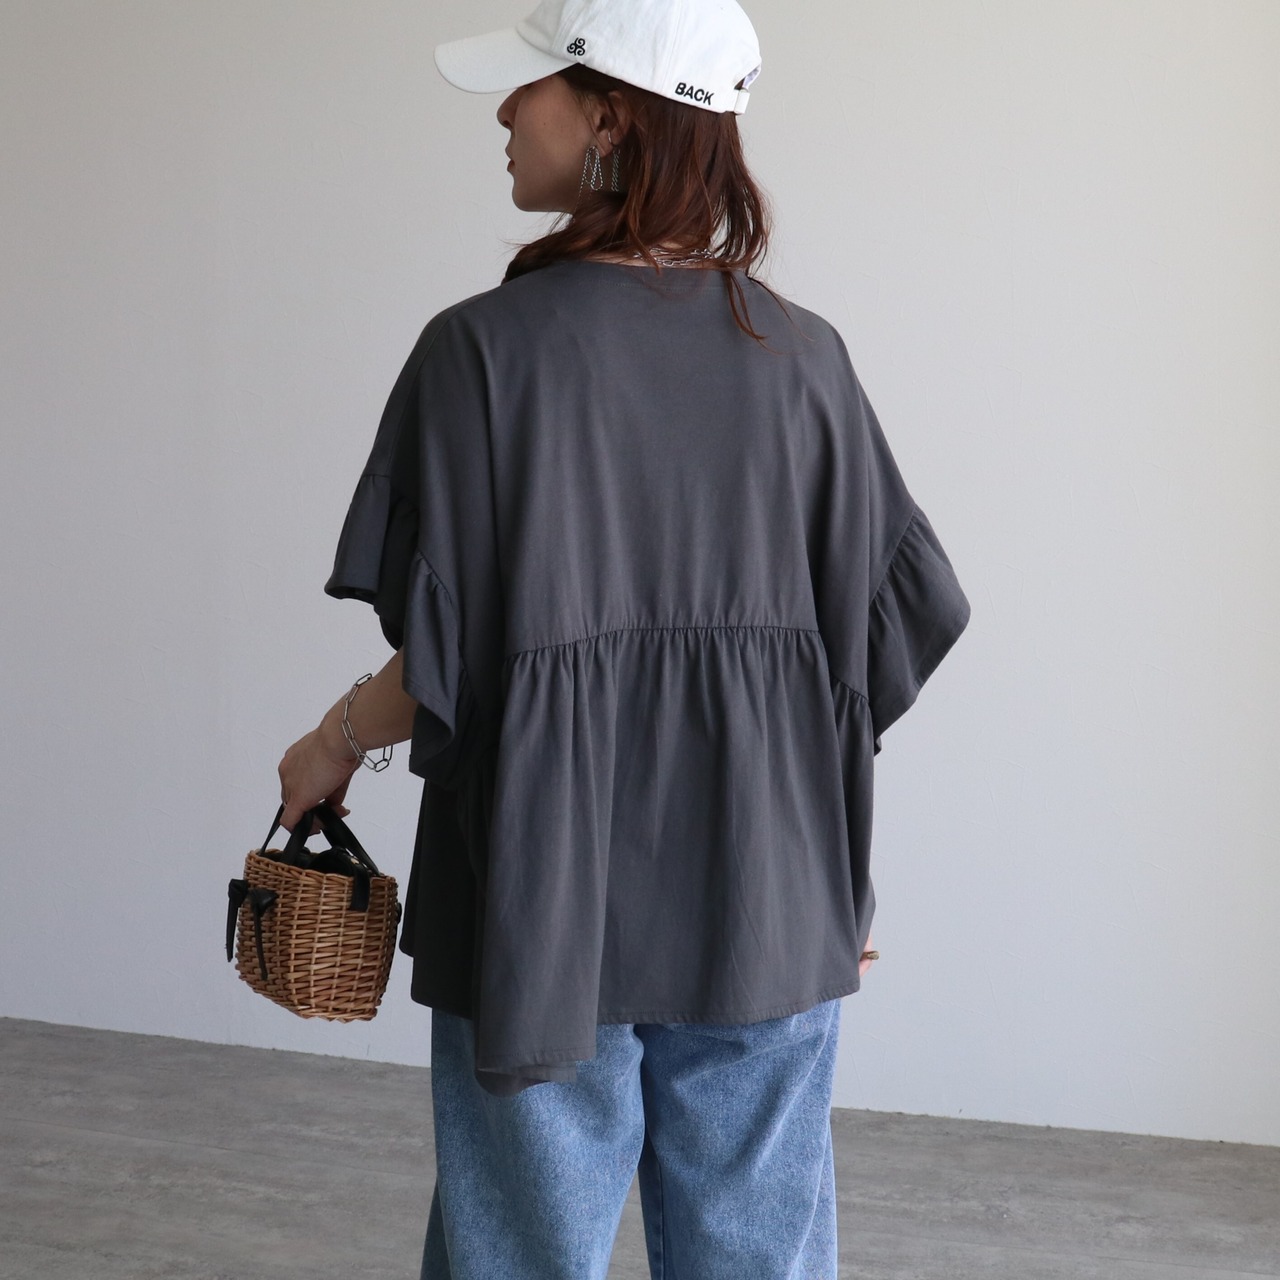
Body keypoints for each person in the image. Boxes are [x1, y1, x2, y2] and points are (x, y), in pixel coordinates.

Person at [275, 0, 972, 1275]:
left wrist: (331, 742)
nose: (502, 111)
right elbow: (878, 640)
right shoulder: (805, 360)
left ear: (607, 116)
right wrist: (828, 874)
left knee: (519, 1252)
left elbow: (448, 653)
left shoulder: (481, 356)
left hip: (540, 895)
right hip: (766, 895)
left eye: (528, 86)